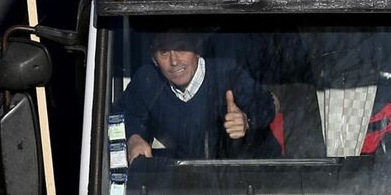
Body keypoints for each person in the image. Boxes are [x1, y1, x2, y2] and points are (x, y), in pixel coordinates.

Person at [117, 31, 280, 164]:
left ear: (197, 50)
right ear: (154, 58)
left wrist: (246, 120)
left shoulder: (227, 72)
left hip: (257, 179)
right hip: (192, 183)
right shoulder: (147, 80)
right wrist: (133, 137)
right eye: (164, 51)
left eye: (181, 47)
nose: (174, 61)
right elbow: (122, 114)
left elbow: (268, 103)